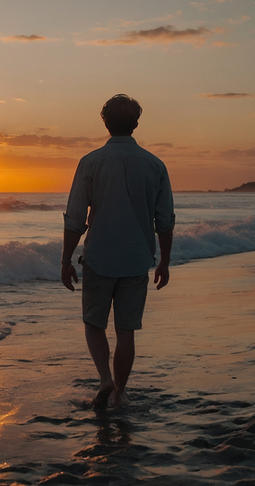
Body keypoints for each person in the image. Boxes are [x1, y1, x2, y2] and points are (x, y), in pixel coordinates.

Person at [61, 94, 175, 409]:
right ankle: (120, 391)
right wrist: (164, 262)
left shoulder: (91, 162)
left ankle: (105, 379)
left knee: (94, 323)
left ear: (106, 123)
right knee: (127, 330)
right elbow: (164, 222)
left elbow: (74, 218)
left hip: (98, 257)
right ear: (135, 124)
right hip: (137, 259)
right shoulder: (155, 165)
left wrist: (65, 260)